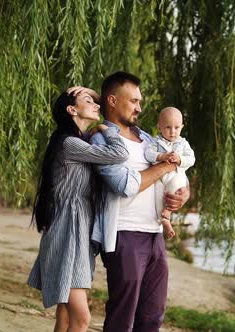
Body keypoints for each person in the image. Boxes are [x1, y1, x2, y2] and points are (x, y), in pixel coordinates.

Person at [90, 71, 190, 332]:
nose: (139, 107)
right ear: (112, 101)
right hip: (124, 235)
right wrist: (165, 168)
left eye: (140, 101)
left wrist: (183, 195)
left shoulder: (147, 138)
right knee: (123, 317)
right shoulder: (101, 140)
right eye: (133, 100)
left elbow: (179, 173)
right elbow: (124, 185)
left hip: (155, 234)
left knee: (153, 316)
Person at [27, 88, 129, 332]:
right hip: (67, 231)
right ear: (72, 110)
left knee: (65, 316)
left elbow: (103, 105)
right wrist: (107, 128)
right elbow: (120, 154)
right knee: (82, 319)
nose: (96, 104)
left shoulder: (76, 142)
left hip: (77, 229)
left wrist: (92, 93)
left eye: (95, 101)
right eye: (88, 101)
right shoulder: (70, 144)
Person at [144, 107, 195, 239]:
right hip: (158, 177)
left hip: (176, 175)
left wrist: (180, 159)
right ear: (159, 127)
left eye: (176, 128)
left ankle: (167, 213)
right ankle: (163, 220)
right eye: (168, 127)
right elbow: (148, 154)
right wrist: (161, 156)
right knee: (158, 197)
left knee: (177, 188)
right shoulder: (155, 142)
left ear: (182, 127)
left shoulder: (183, 144)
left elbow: (191, 159)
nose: (172, 132)